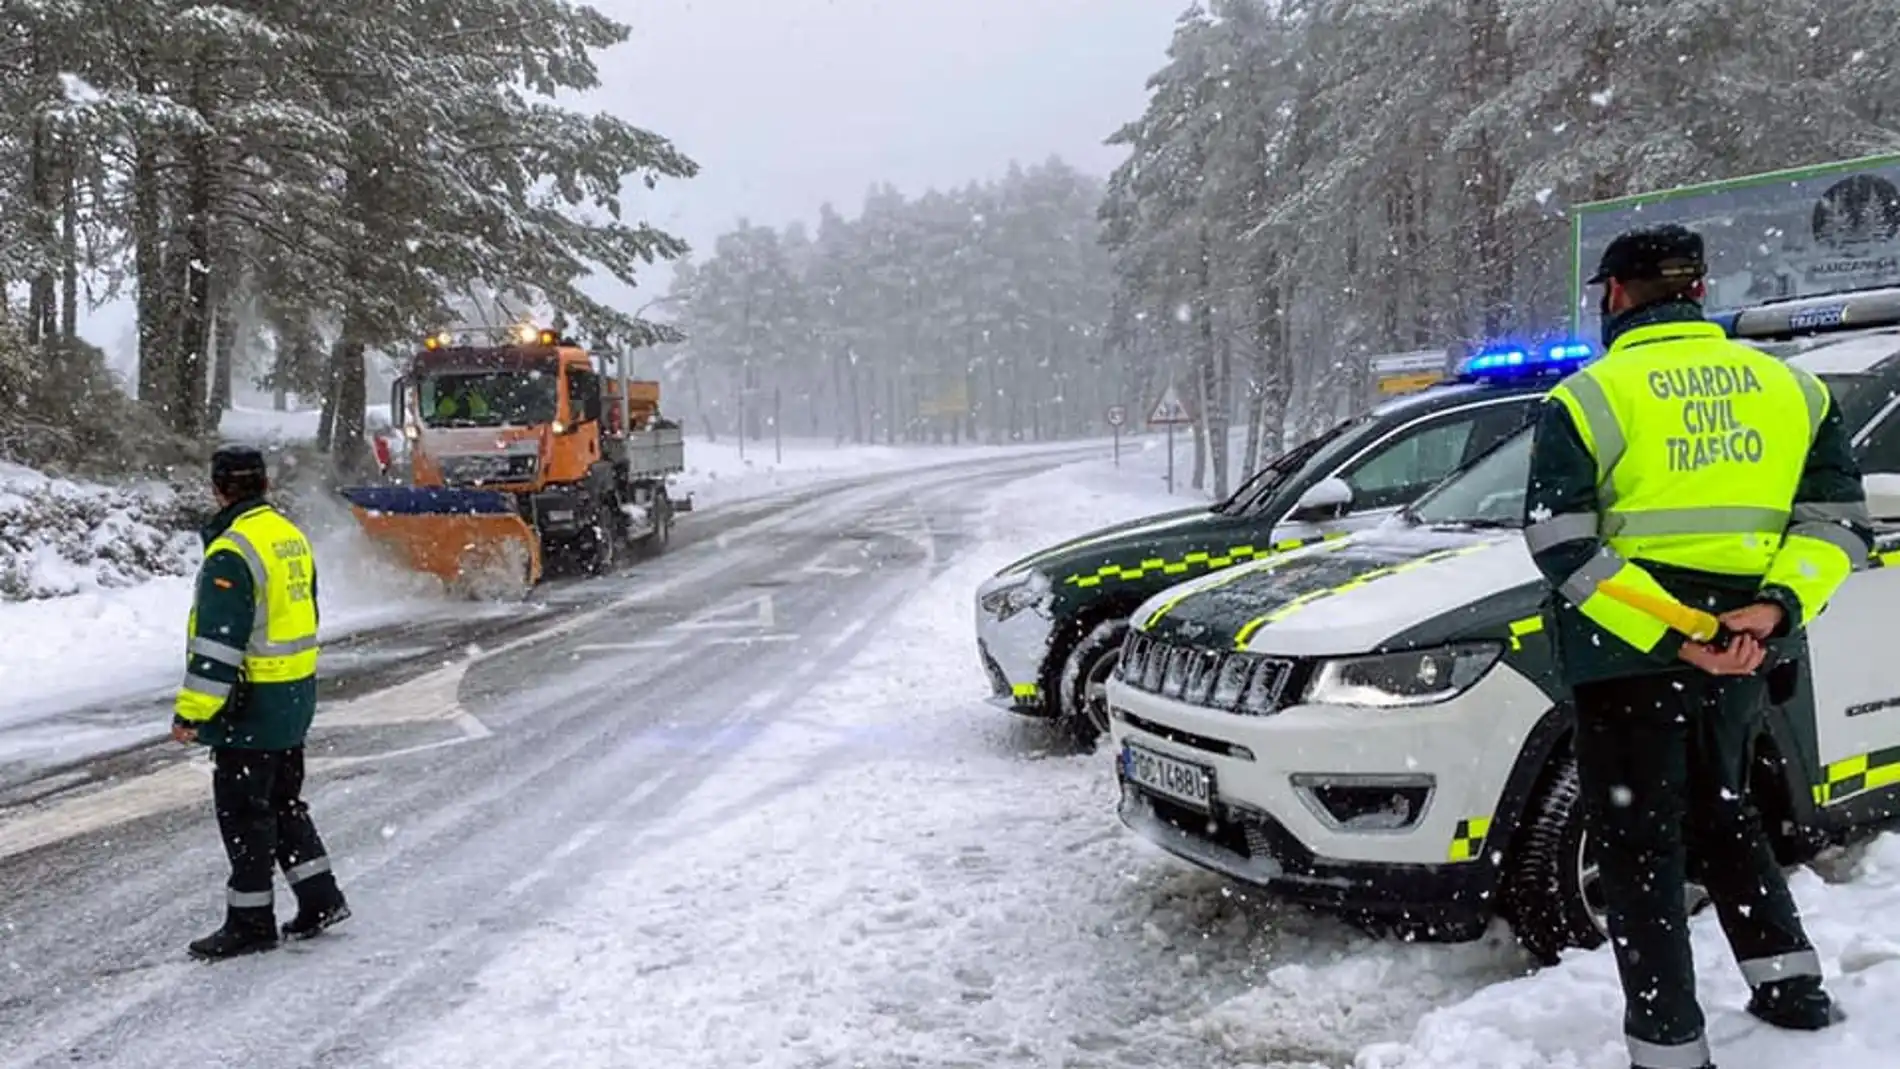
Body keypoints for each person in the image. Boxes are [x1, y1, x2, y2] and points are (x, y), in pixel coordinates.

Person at [1524, 223, 1870, 1069]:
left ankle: (1669, 1047)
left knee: (1639, 847)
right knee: (1725, 811)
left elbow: (1562, 543)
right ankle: (1791, 989)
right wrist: (1771, 612)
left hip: (1632, 660)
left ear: (1615, 296)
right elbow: (1839, 527)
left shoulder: (1588, 397)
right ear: (1699, 291)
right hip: (1747, 660)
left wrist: (1685, 633)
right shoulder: (1790, 390)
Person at [174, 445, 350, 960]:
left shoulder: (234, 551)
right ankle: (320, 898)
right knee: (283, 803)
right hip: (293, 697)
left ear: (218, 487)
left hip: (251, 706)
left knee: (245, 815)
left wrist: (192, 713)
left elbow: (217, 647)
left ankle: (250, 922)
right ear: (265, 485)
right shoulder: (288, 537)